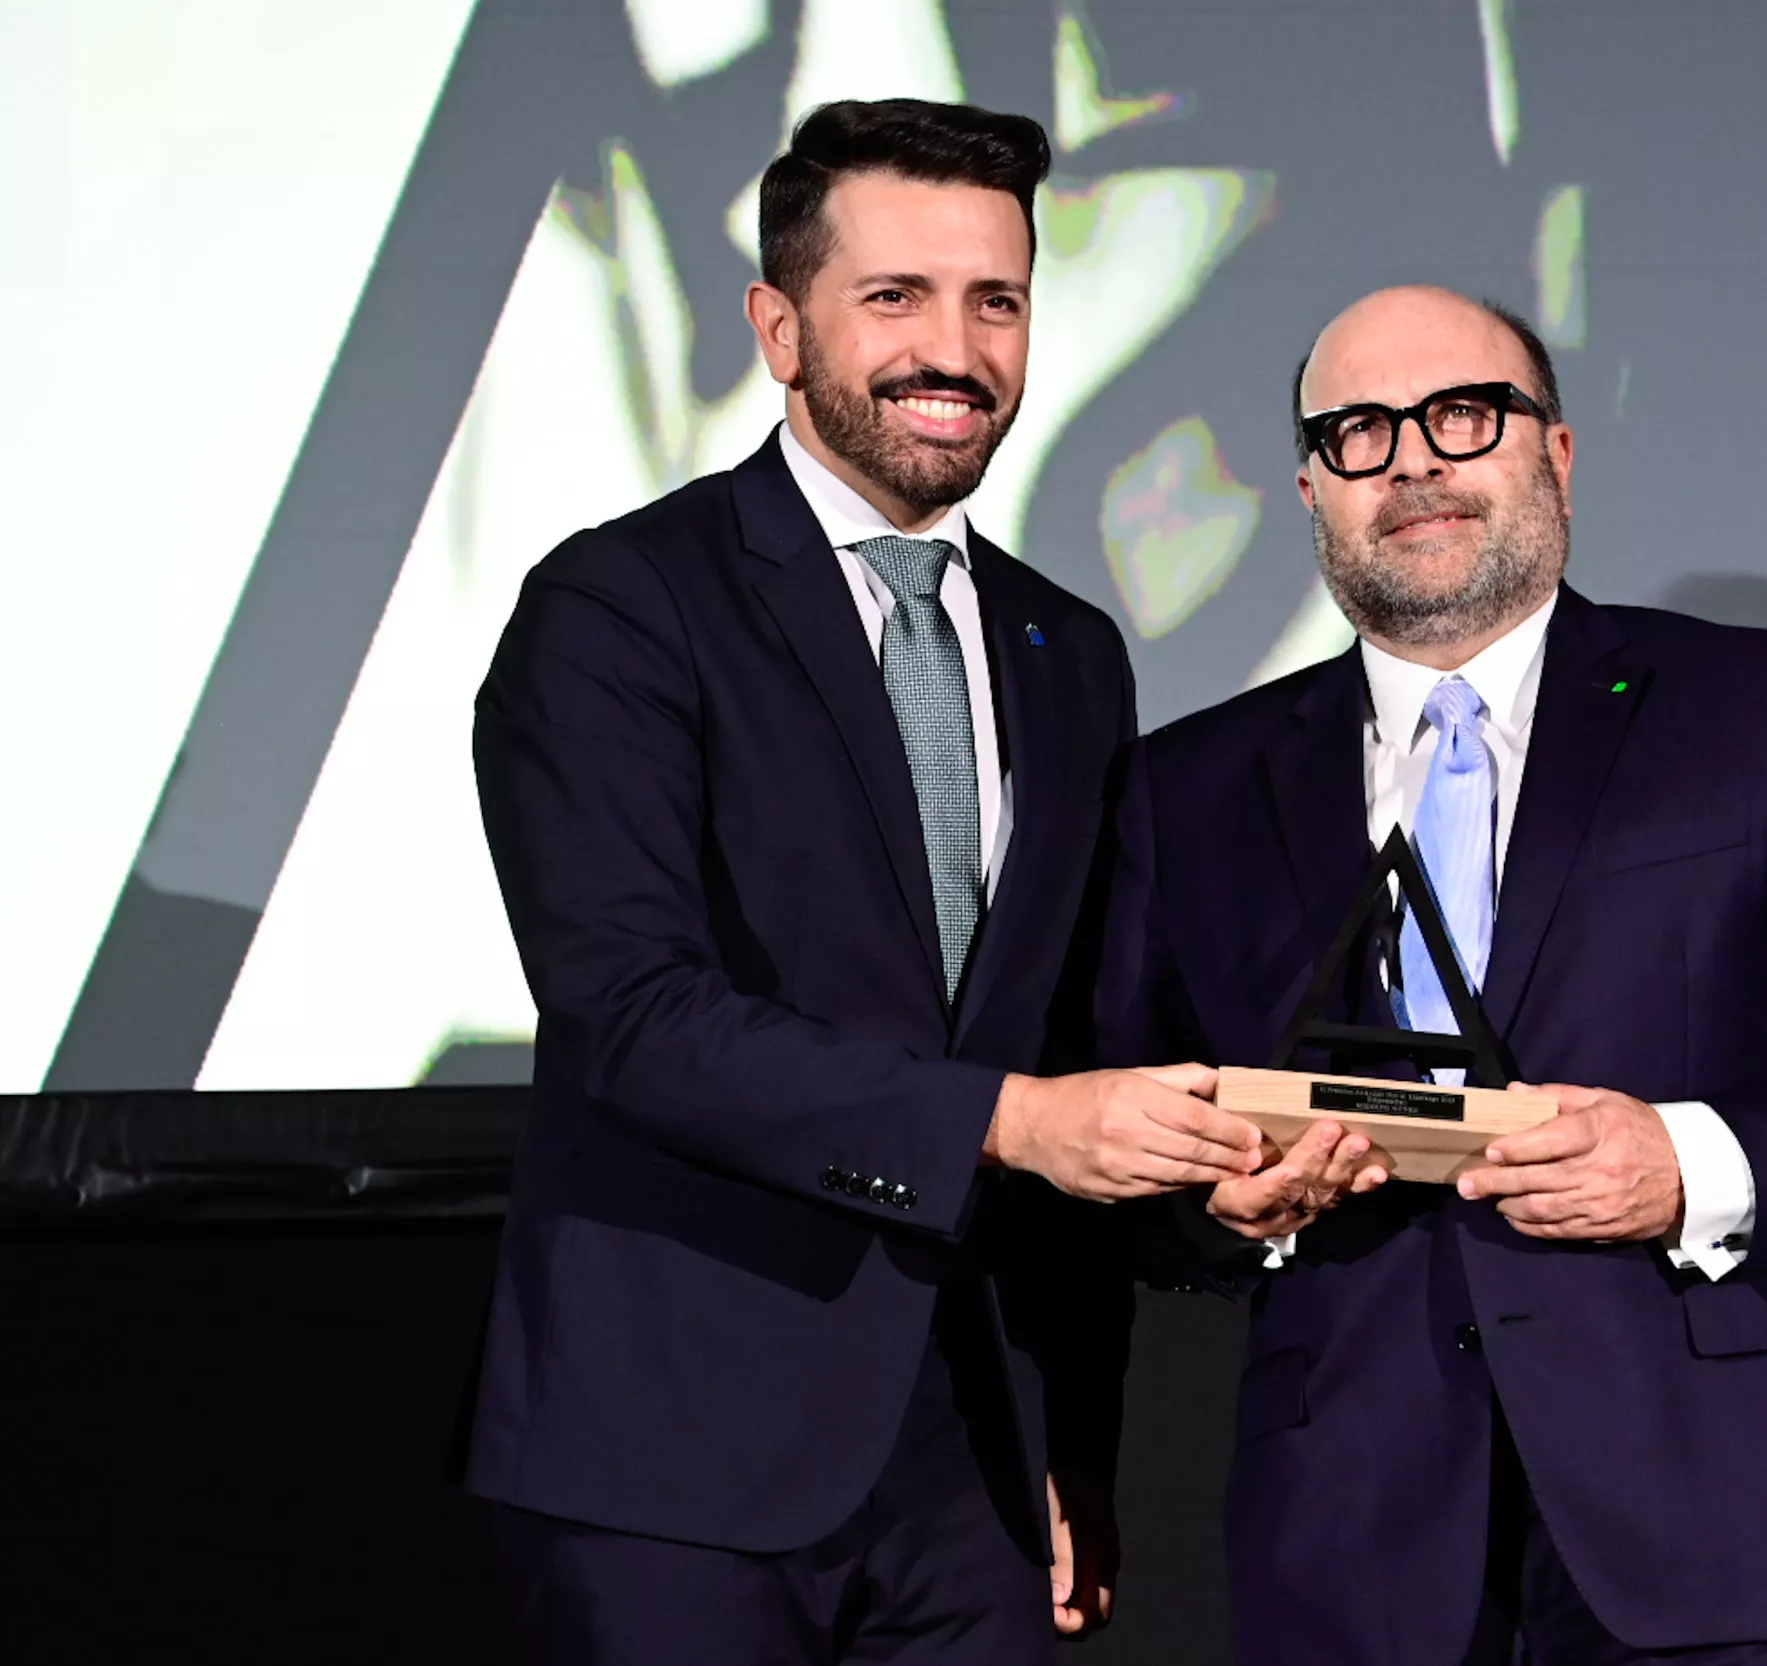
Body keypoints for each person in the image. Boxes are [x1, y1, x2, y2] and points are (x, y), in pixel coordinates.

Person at [1097, 285, 1767, 1665]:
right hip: (1351, 1540)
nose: (1409, 459)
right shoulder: (1191, 786)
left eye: (1462, 416)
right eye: (1356, 431)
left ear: (1558, 454)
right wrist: (1224, 1208)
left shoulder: (1752, 706)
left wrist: (1683, 1159)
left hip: (1721, 1522)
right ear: (1308, 488)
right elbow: (1121, 1145)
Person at [462, 98, 1263, 1665]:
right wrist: (1014, 1123)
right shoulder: (619, 610)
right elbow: (633, 1019)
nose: (951, 349)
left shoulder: (1069, 653)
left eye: (997, 300)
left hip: (972, 1465)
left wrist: (1206, 1205)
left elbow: (1074, 1049)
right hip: (669, 1466)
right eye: (894, 298)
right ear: (779, 326)